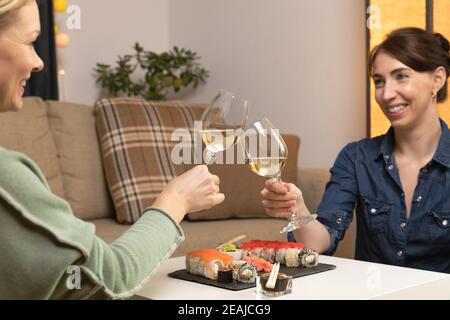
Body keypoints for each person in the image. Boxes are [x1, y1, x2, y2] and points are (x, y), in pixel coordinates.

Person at [0, 0, 225, 299]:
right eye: (30, 41)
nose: (40, 61)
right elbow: (110, 277)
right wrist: (176, 200)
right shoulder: (8, 176)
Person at [261, 27, 450, 273]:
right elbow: (318, 244)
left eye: (401, 76)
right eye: (379, 81)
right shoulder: (357, 158)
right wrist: (297, 209)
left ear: (437, 79)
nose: (386, 94)